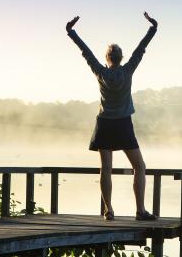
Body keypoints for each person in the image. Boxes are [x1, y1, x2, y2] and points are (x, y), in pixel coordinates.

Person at [66, 12, 158, 221]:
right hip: (123, 124)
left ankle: (109, 211)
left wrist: (72, 32)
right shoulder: (127, 71)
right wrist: (152, 29)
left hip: (105, 124)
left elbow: (86, 52)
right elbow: (140, 50)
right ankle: (140, 211)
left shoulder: (100, 72)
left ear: (107, 59)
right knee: (140, 167)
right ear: (121, 58)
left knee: (105, 169)